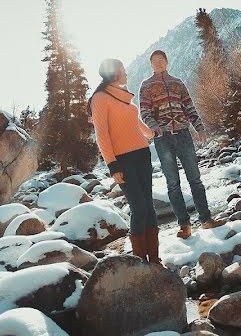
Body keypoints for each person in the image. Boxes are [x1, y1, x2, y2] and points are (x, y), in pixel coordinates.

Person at [139, 49, 225, 239]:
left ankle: (206, 219)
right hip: (162, 139)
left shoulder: (178, 83)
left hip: (184, 135)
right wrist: (155, 128)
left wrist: (199, 127)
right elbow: (144, 112)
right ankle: (184, 225)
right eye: (154, 61)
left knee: (195, 179)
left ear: (167, 61)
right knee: (173, 183)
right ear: (151, 64)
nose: (158, 63)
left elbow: (190, 107)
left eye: (161, 59)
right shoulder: (146, 86)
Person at [87, 58, 161, 263]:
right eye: (123, 70)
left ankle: (154, 259)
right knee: (139, 207)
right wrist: (112, 165)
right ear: (114, 72)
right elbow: (102, 135)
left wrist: (152, 133)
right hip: (123, 160)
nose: (126, 73)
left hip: (142, 154)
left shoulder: (123, 97)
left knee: (149, 205)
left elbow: (134, 122)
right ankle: (139, 260)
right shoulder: (100, 98)